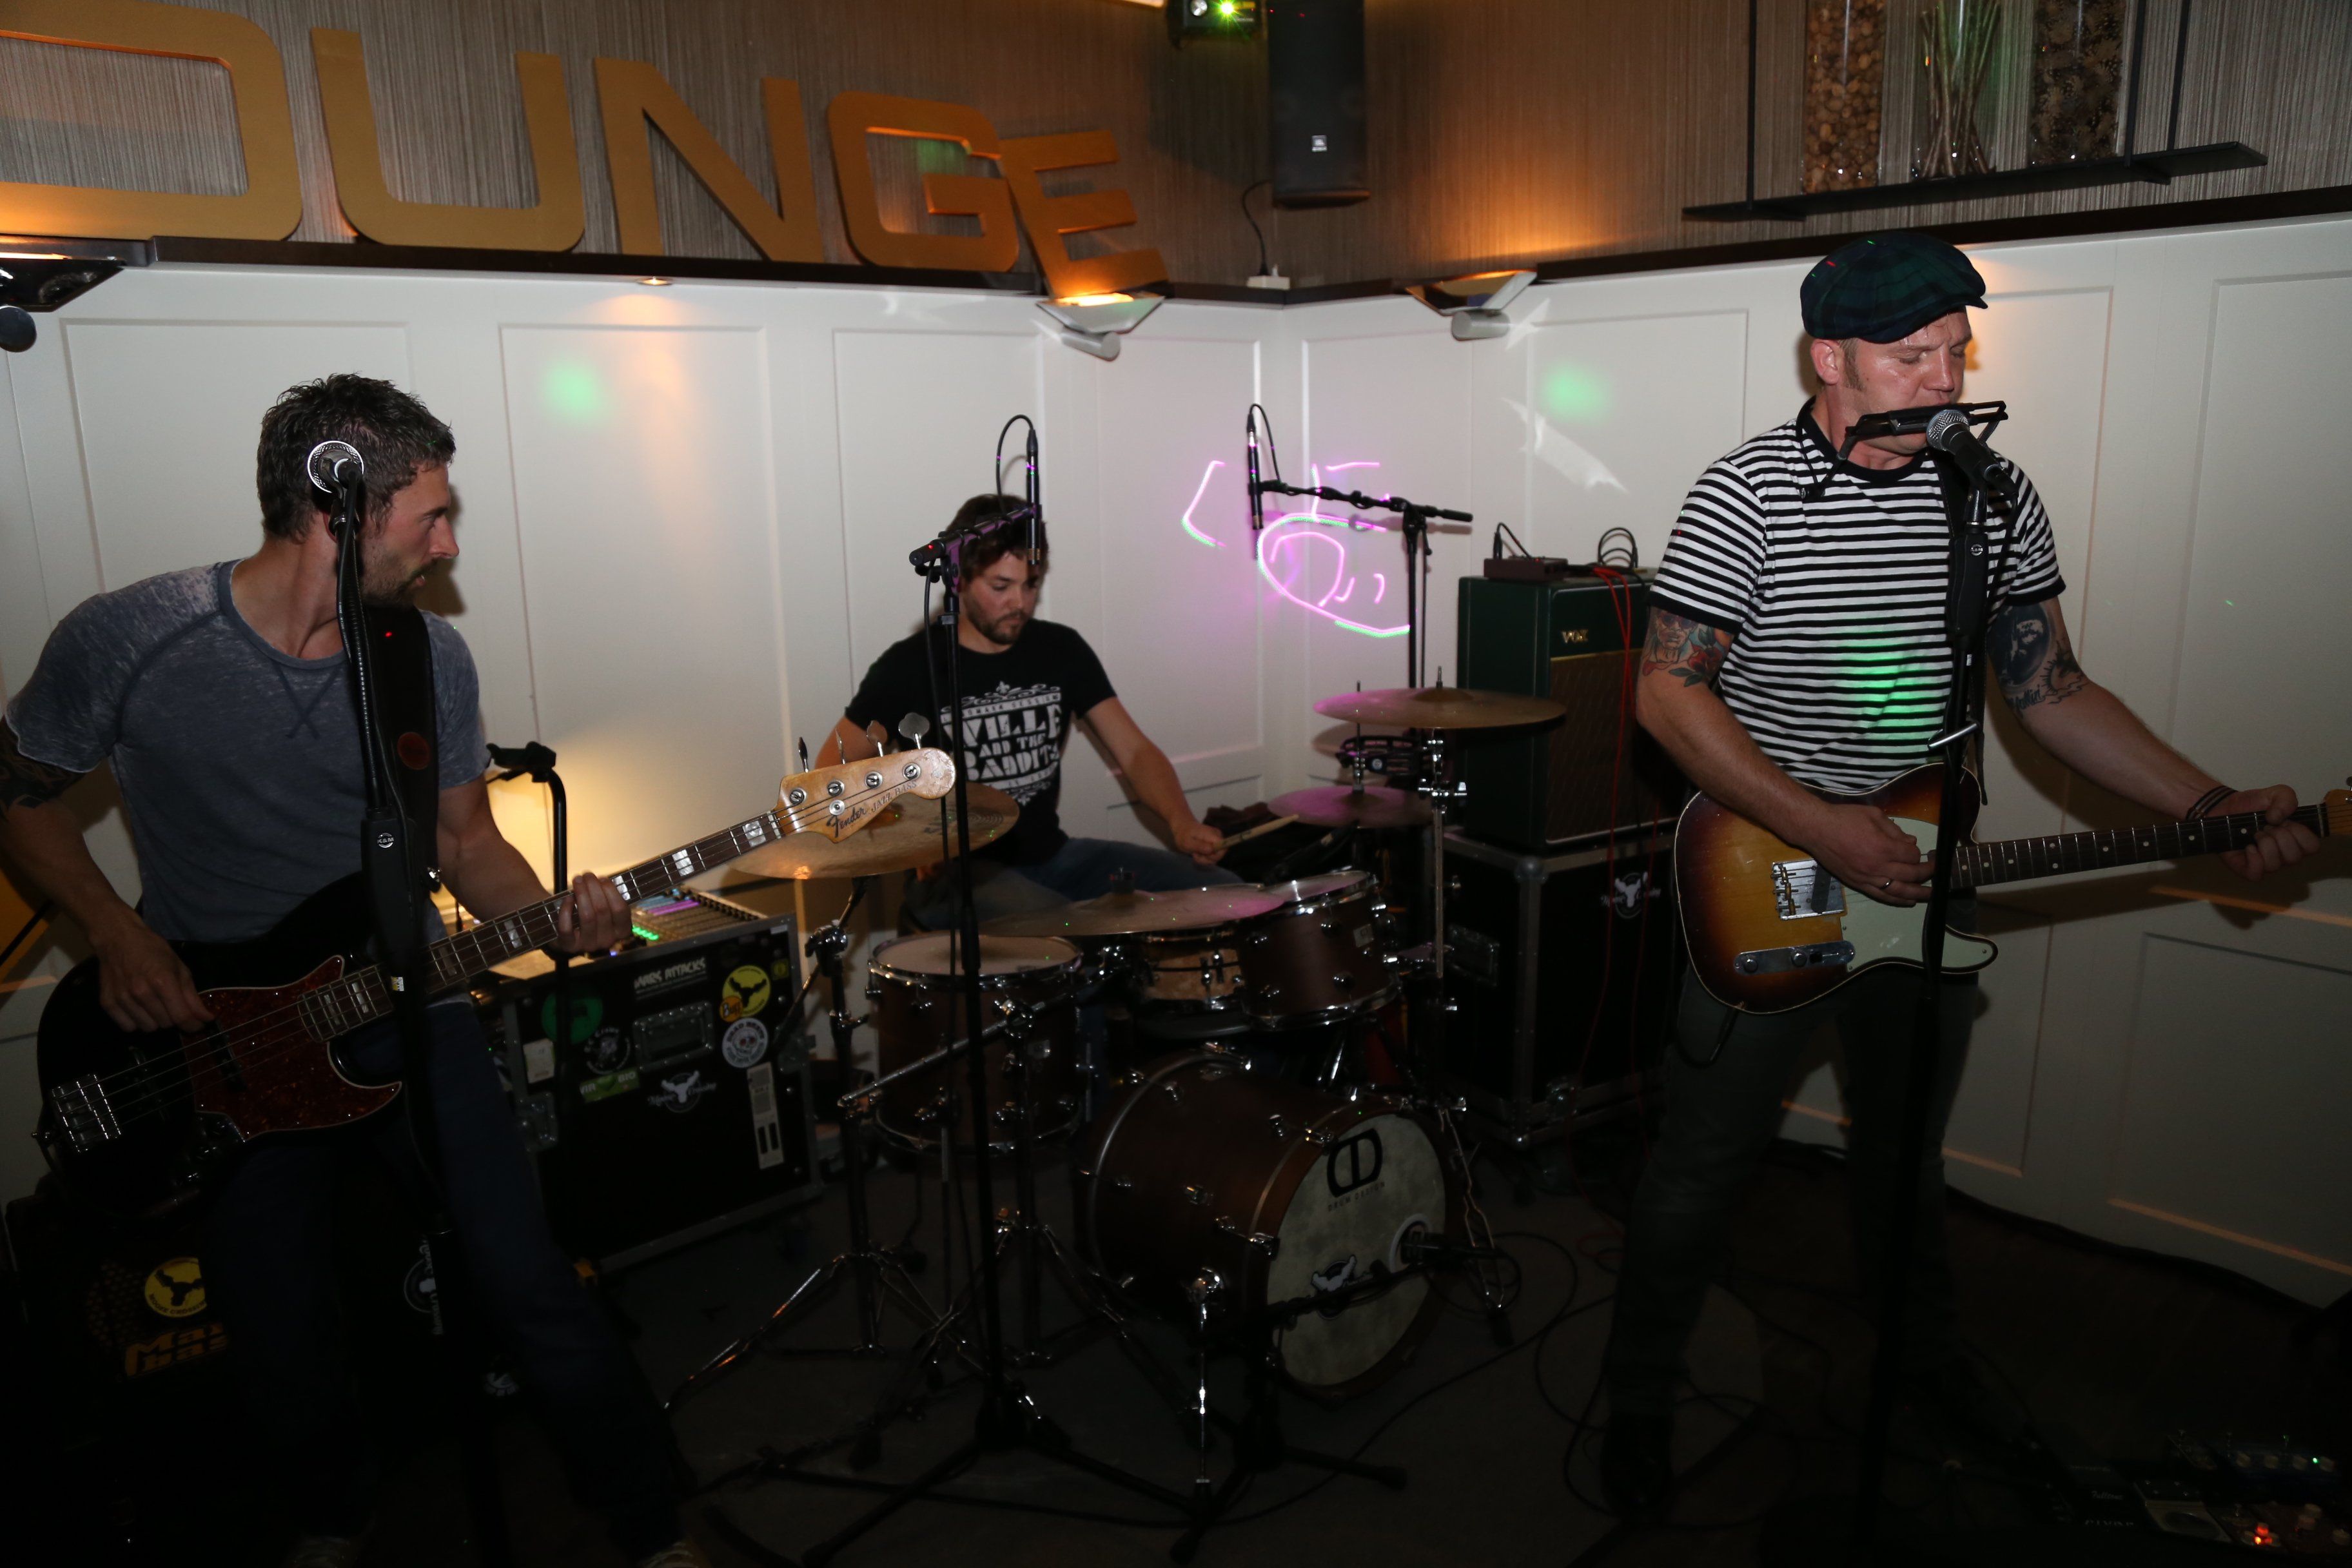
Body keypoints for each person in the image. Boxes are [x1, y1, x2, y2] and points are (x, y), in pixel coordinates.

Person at [1600, 233, 2320, 1519]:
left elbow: (2051, 690)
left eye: (1955, 351)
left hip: (1923, 879)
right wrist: (1823, 826)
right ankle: (1640, 1400)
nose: (1943, 379)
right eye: (1910, 355)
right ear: (1831, 359)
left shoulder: (1989, 495)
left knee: (1904, 1156)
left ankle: (1922, 1364)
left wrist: (2206, 802)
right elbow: (1668, 694)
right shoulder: (1747, 492)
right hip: (1758, 870)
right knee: (1701, 1166)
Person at [0, 377, 707, 1568]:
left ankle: (650, 1521)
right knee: (273, 1315)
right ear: (337, 512)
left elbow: (466, 844)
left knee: (524, 1274)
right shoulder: (132, 635)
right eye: (430, 517)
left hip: (400, 1006)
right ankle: (332, 1514)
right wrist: (114, 930)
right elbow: (16, 793)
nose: (449, 545)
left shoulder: (423, 657)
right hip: (218, 1038)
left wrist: (562, 922)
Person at [828, 495, 1236, 926]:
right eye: (1001, 587)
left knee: (1226, 892)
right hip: (957, 876)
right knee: (1063, 928)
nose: (1020, 603)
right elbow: (834, 771)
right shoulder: (908, 666)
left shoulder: (1061, 649)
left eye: (1032, 585)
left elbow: (1134, 752)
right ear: (958, 579)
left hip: (1054, 859)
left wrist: (1181, 822)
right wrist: (910, 840)